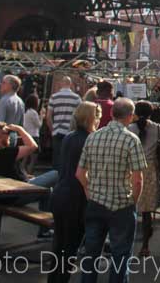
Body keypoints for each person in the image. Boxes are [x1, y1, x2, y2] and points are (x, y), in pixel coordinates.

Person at [76, 98, 147, 283]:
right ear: (130, 117)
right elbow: (138, 179)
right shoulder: (132, 140)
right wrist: (134, 200)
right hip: (121, 204)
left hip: (96, 202)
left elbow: (80, 173)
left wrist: (89, 191)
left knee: (91, 254)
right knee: (120, 256)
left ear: (112, 113)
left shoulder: (93, 137)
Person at [48, 101, 99, 283]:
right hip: (75, 198)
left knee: (60, 245)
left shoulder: (69, 137)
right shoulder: (89, 140)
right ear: (92, 118)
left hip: (61, 193)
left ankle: (54, 279)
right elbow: (84, 174)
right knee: (69, 246)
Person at [128, 101, 160, 258]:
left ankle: (127, 246)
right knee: (146, 212)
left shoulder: (130, 129)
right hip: (150, 170)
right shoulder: (159, 129)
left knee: (129, 209)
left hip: (132, 169)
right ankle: (145, 246)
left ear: (135, 113)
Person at [46, 76, 82, 171]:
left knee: (57, 158)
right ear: (70, 84)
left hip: (57, 131)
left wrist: (52, 130)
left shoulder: (54, 97)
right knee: (69, 158)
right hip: (70, 131)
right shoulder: (76, 98)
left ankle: (55, 181)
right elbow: (80, 115)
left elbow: (48, 116)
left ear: (61, 84)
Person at [23, 94, 42, 176]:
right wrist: (42, 117)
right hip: (34, 135)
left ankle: (22, 172)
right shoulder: (34, 113)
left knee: (25, 157)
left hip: (27, 135)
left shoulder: (26, 112)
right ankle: (29, 174)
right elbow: (39, 125)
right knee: (33, 158)